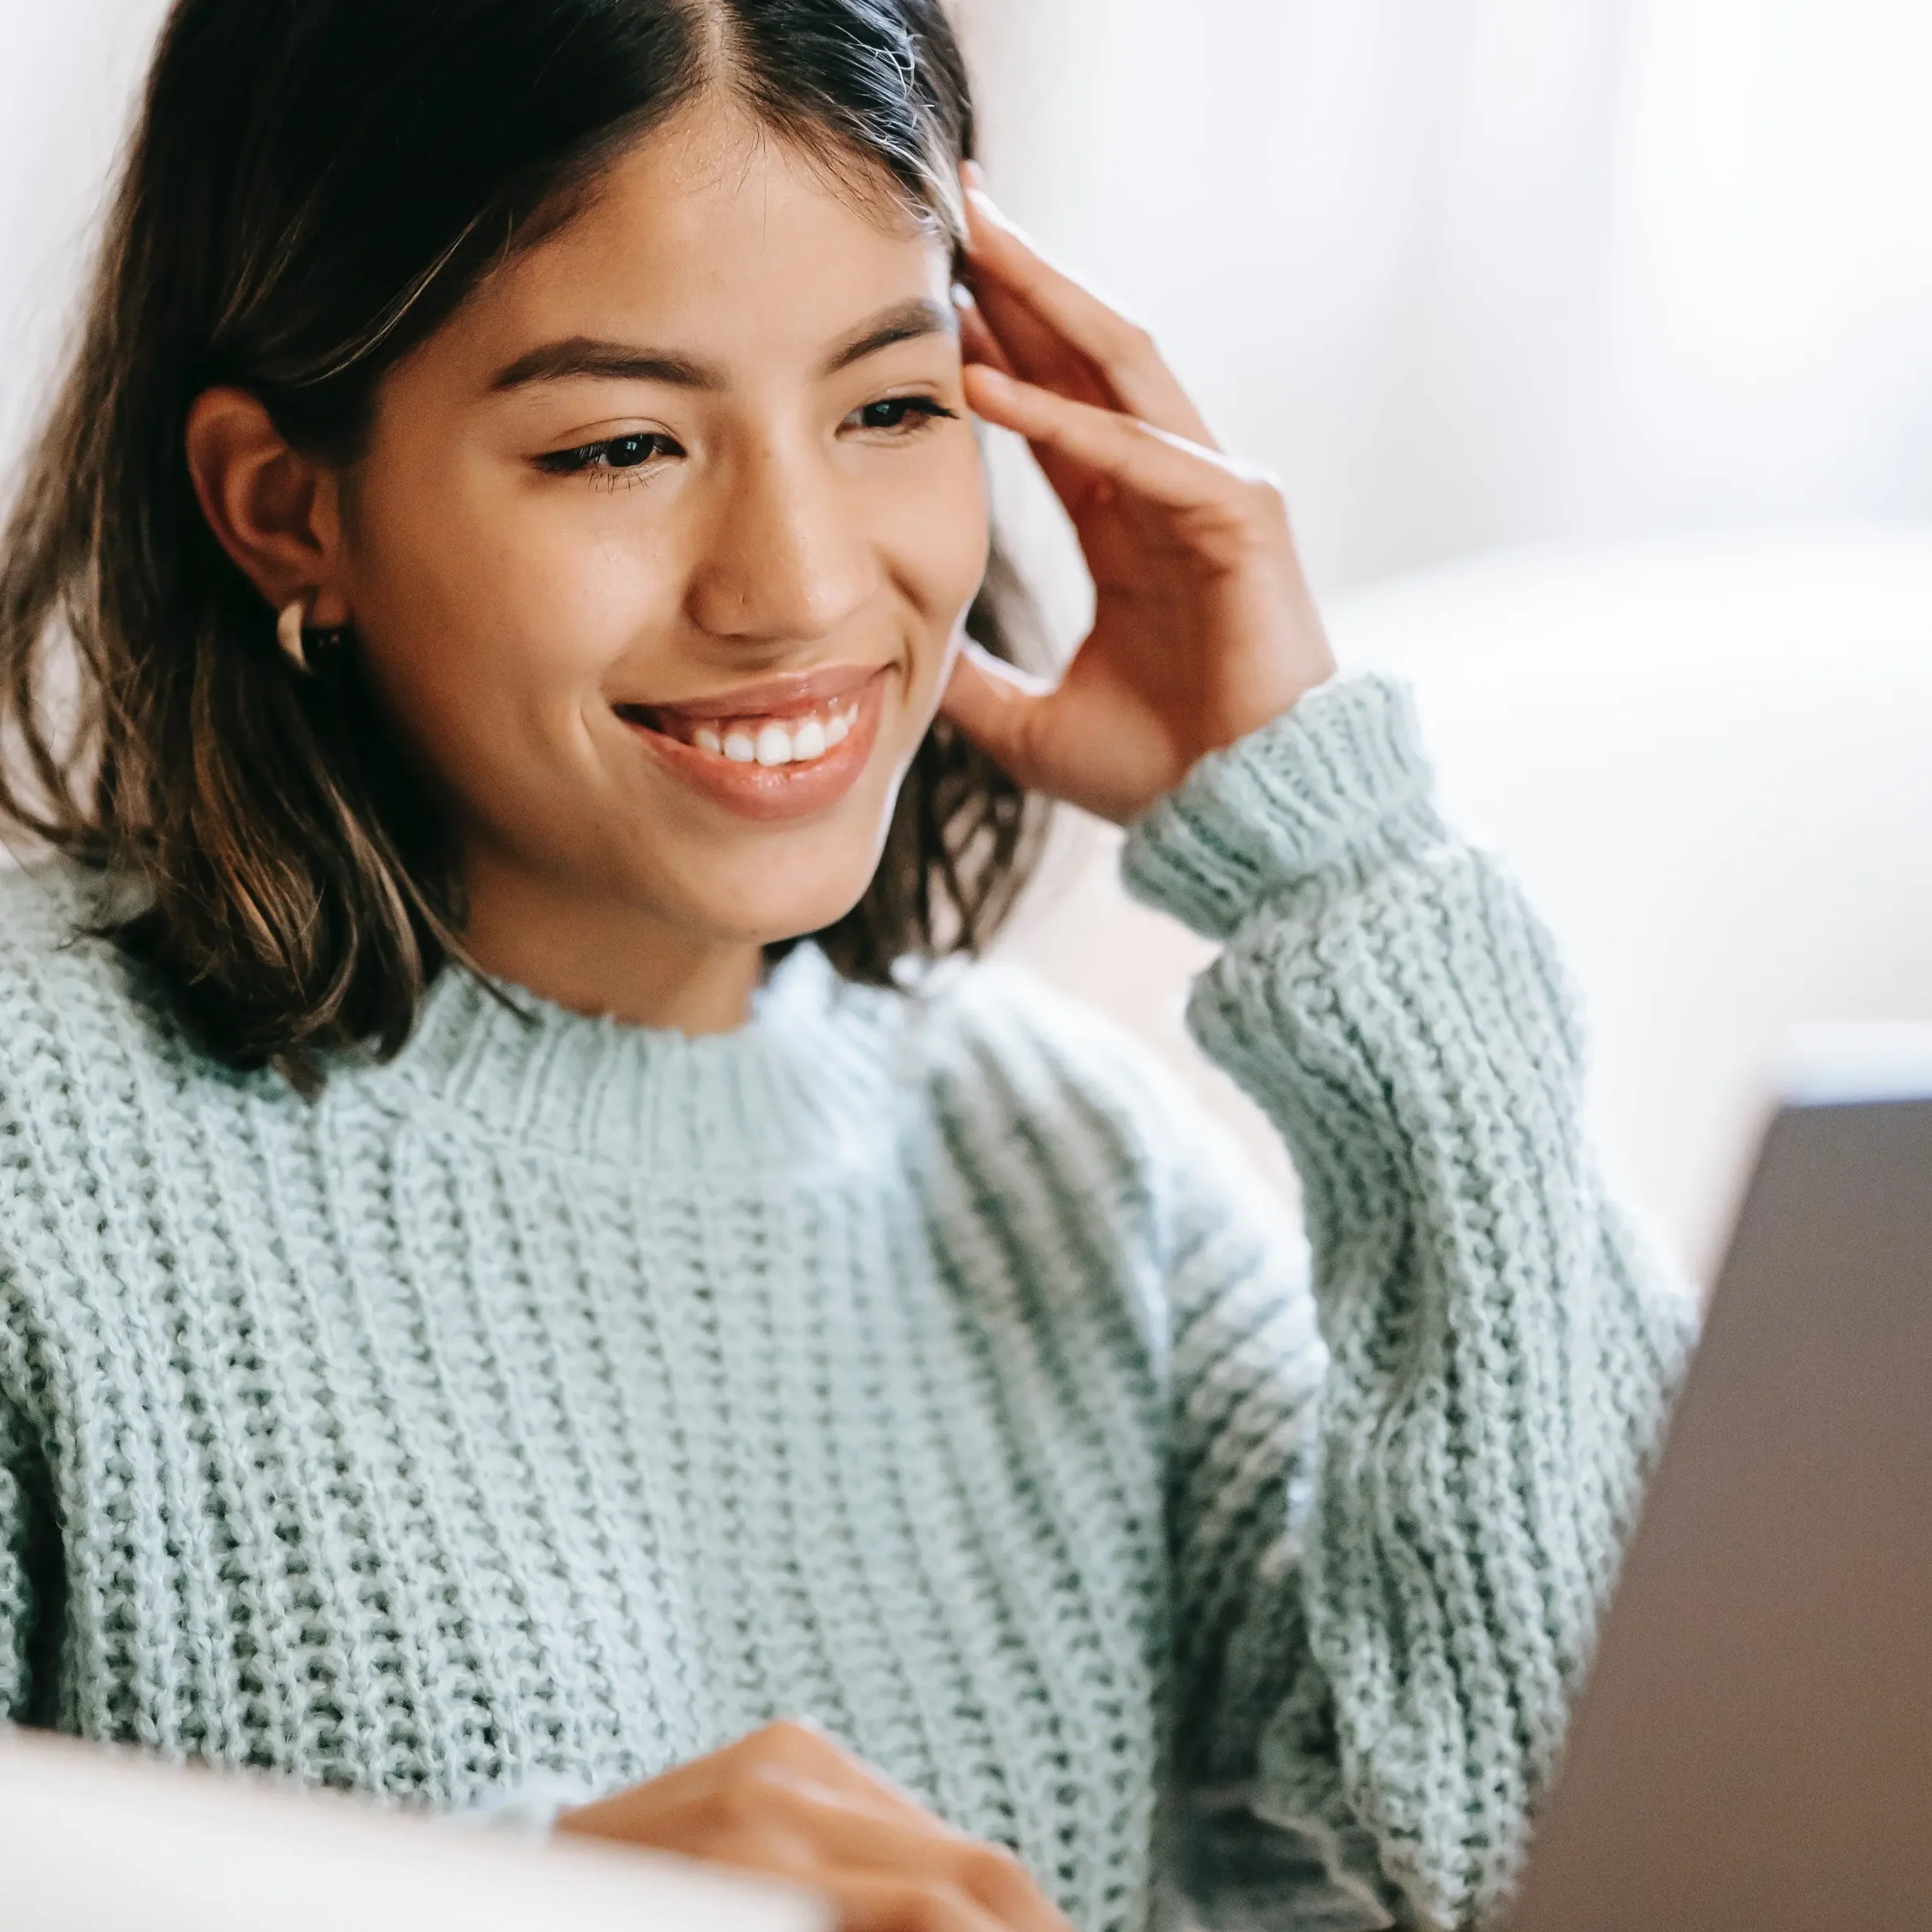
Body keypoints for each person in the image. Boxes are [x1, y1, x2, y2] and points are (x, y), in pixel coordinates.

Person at [0, 2, 1696, 1928]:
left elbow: (1611, 1853)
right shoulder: (35, 1131)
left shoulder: (1078, 1181)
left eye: (892, 405)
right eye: (620, 443)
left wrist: (1341, 864)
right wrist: (498, 1905)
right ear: (285, 504)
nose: (797, 583)